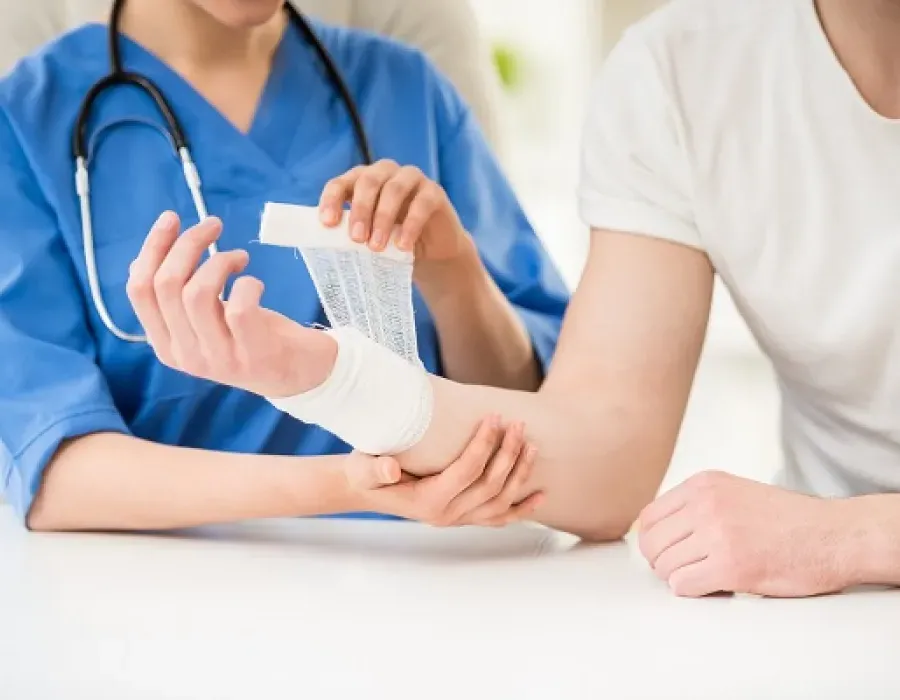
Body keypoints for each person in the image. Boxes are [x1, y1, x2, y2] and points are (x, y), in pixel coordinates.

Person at [137, 0, 900, 599]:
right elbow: (604, 460)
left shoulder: (406, 82)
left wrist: (850, 536)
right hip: (820, 608)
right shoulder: (681, 69)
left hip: (821, 561)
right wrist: (320, 374)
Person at [0, 0, 571, 530]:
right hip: (172, 589)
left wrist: (453, 274)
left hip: (442, 573)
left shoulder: (405, 88)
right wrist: (350, 487)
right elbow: (52, 467)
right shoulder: (26, 120)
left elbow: (533, 412)